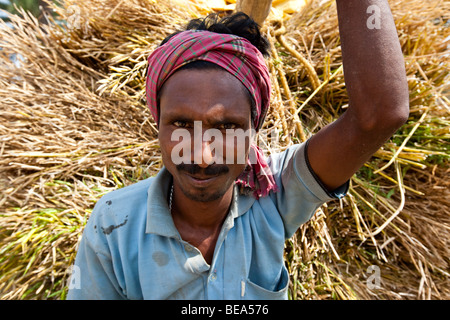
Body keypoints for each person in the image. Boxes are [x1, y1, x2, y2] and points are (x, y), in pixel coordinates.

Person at [67, 0, 409, 300]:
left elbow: (379, 115)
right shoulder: (115, 222)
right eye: (182, 125)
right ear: (158, 126)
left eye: (227, 128)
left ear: (253, 132)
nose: (201, 156)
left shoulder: (276, 192)